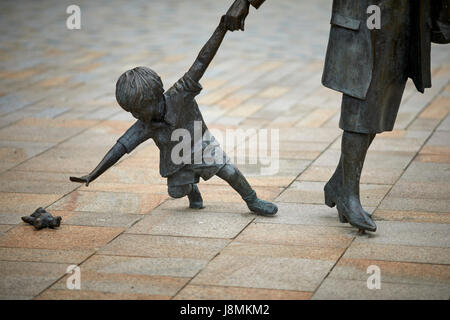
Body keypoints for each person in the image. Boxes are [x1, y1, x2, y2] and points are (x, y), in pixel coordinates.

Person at [226, 0, 448, 232]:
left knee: (381, 101)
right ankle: (348, 193)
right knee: (361, 97)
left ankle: (340, 184)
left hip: (403, 13)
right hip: (365, 14)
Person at [70, 7, 278, 217]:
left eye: (138, 110)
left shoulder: (180, 93)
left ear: (155, 97)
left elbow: (201, 61)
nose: (136, 116)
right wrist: (93, 174)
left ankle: (252, 200)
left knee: (229, 171)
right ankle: (192, 188)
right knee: (177, 192)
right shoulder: (144, 125)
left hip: (200, 143)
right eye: (131, 112)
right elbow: (120, 148)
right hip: (176, 157)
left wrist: (222, 27)